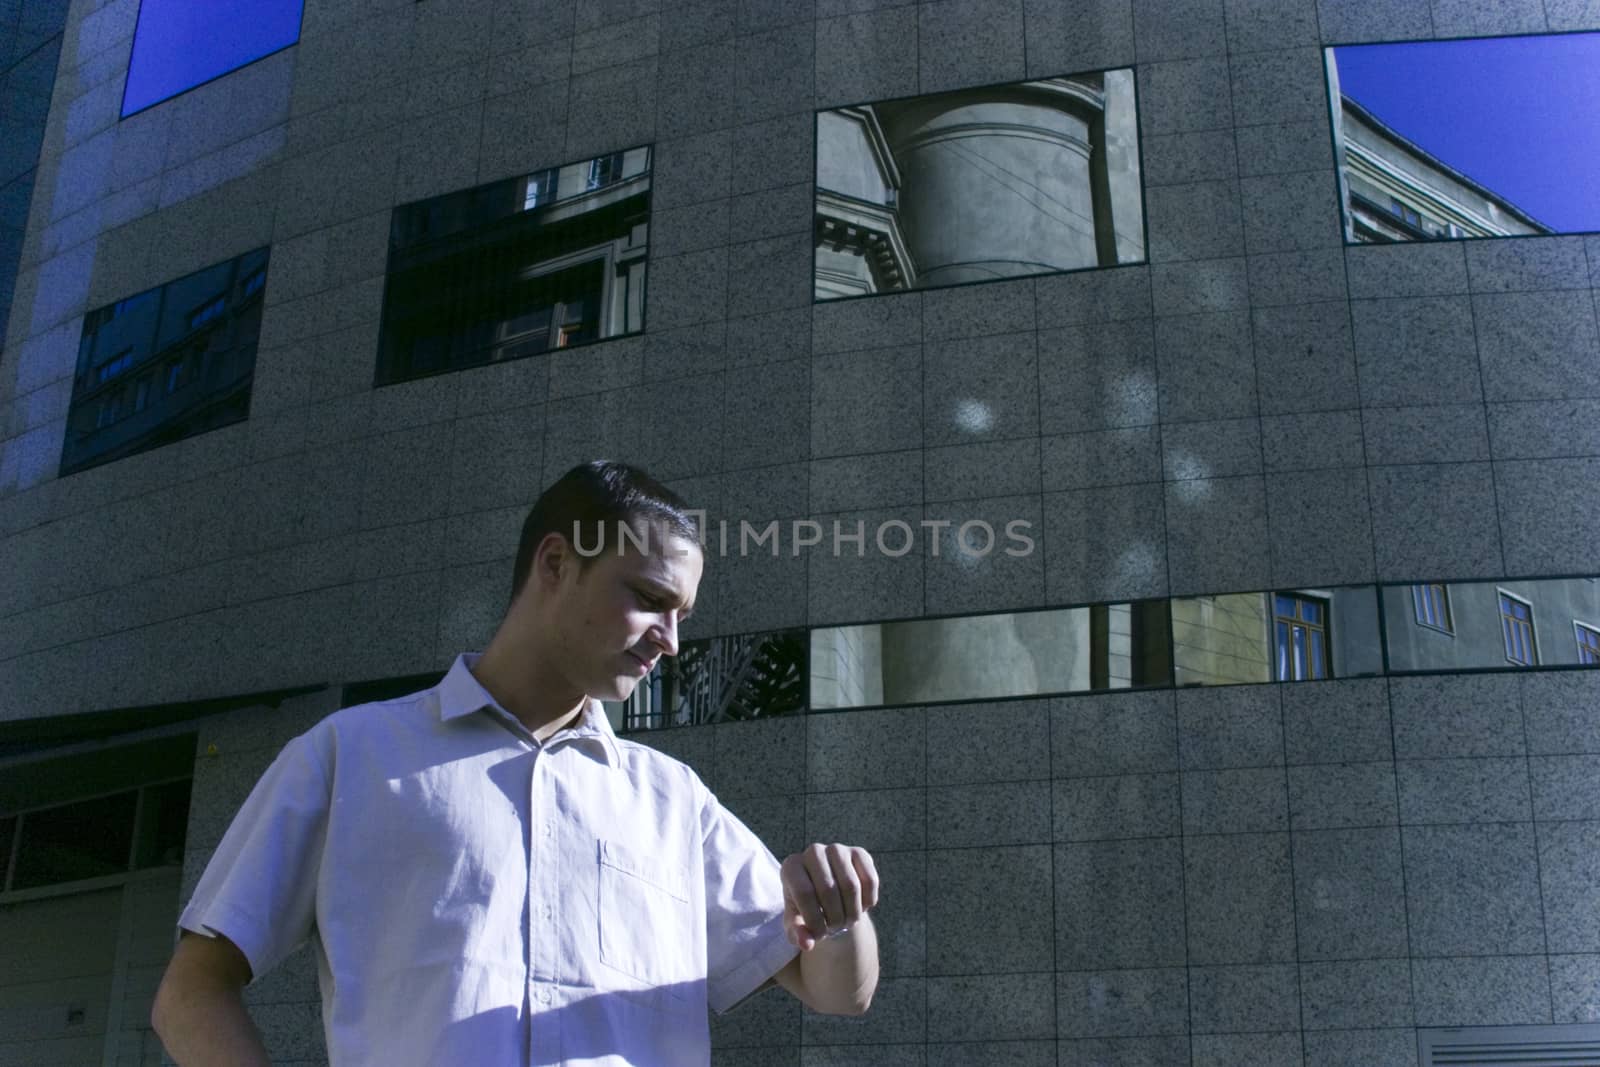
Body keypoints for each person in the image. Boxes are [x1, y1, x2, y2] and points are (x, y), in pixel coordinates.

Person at [151, 460, 881, 1066]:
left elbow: (839, 991)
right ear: (556, 563)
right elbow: (191, 994)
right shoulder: (348, 755)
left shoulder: (674, 801)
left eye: (683, 615)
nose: (671, 641)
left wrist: (839, 912)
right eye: (652, 599)